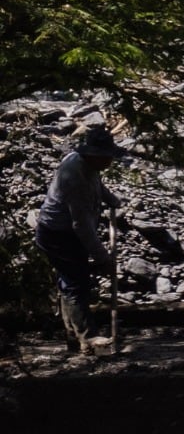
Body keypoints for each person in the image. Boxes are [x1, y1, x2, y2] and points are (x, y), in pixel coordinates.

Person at [34, 123, 123, 349]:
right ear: (93, 156)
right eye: (106, 158)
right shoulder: (75, 177)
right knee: (76, 282)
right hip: (58, 234)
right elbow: (81, 226)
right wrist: (103, 258)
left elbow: (97, 184)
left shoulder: (89, 166)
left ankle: (73, 336)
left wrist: (109, 198)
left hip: (66, 231)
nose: (109, 162)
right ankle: (88, 337)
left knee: (69, 282)